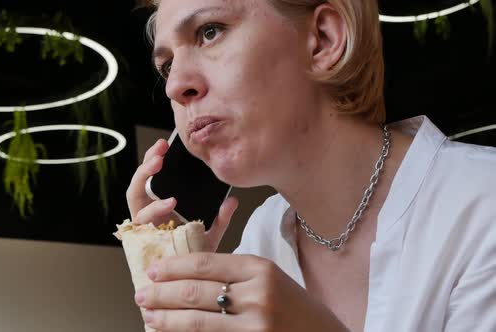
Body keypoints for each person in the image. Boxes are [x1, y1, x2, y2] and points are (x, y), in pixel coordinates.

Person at [126, 0, 496, 331]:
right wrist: (175, 289)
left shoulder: (483, 204)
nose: (175, 85)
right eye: (167, 65)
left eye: (210, 32)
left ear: (323, 38)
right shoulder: (262, 236)